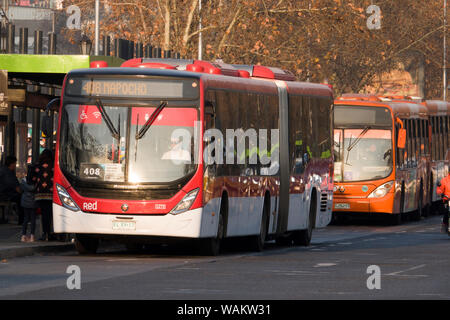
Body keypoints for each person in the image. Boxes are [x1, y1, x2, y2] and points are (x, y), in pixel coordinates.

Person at [32, 149, 54, 241]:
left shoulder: (37, 166)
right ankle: (50, 233)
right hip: (51, 193)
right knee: (50, 214)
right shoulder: (53, 166)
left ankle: (44, 233)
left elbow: (32, 179)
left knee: (43, 214)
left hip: (40, 194)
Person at [20, 165, 37, 242]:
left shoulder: (23, 180)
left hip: (25, 201)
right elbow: (33, 188)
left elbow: (22, 189)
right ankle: (32, 236)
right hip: (33, 201)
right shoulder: (36, 181)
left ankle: (23, 236)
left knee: (26, 219)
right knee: (33, 219)